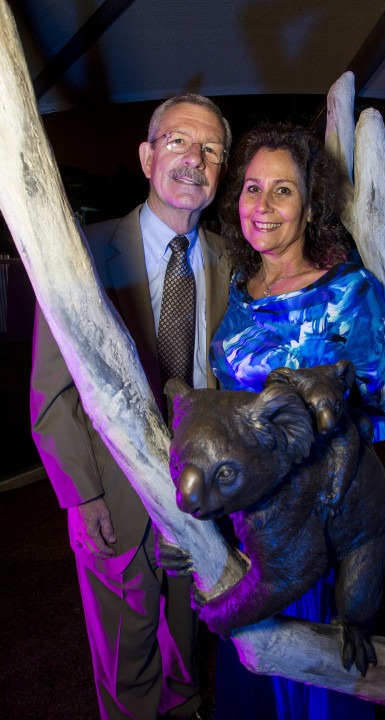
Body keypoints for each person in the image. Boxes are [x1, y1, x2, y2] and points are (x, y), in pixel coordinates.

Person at [30, 94, 233, 720]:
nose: (194, 159)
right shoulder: (84, 252)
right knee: (127, 652)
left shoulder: (233, 261)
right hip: (113, 493)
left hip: (199, 496)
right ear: (147, 157)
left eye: (211, 150)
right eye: (177, 142)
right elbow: (50, 388)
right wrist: (79, 495)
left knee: (188, 634)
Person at [210, 123, 385, 720]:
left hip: (319, 533)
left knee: (313, 694)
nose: (263, 206)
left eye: (283, 191)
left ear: (312, 204)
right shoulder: (236, 292)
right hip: (244, 527)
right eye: (251, 188)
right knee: (253, 685)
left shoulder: (349, 293)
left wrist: (304, 452)